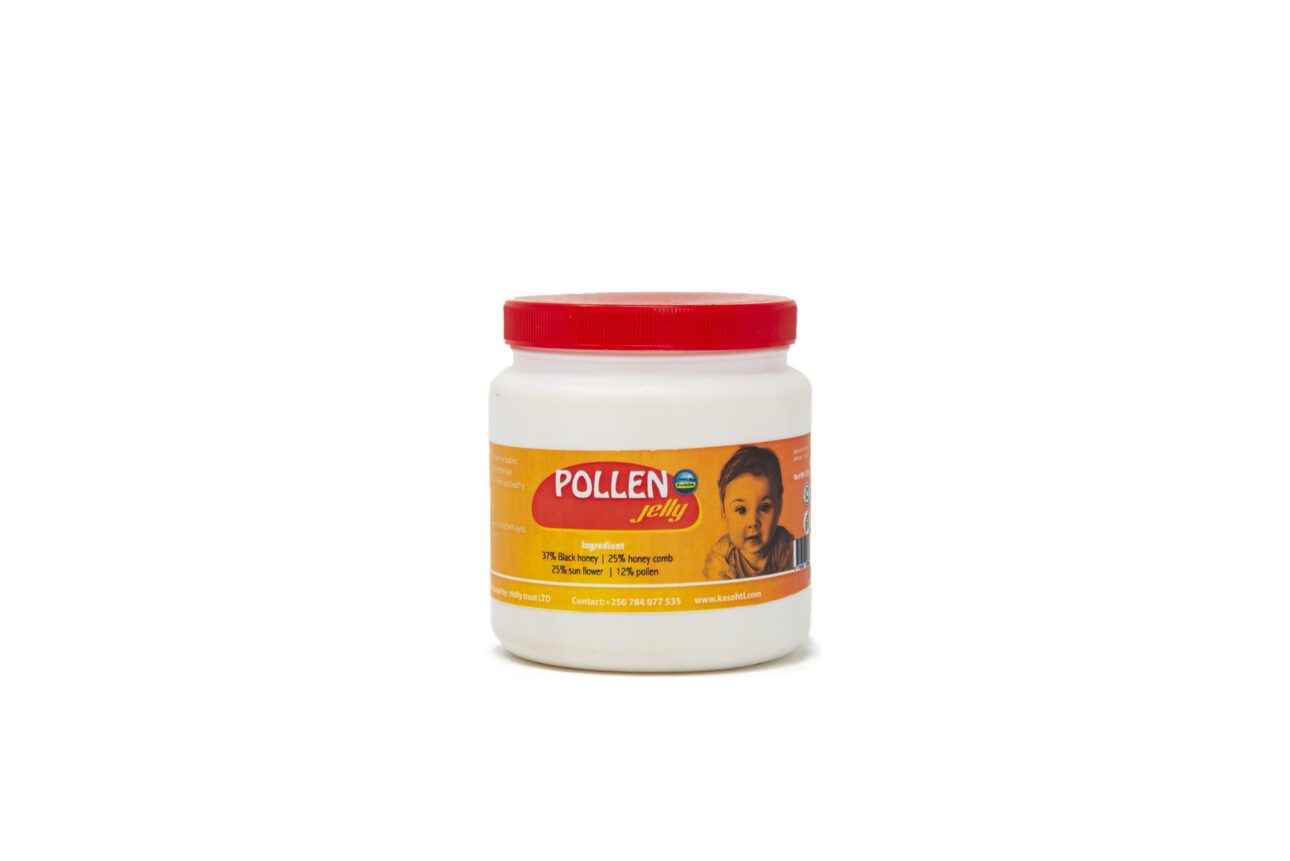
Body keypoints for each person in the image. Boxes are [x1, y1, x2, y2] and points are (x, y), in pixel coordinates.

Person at [703, 446, 795, 580]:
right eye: (741, 510)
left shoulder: (785, 547)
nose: (753, 522)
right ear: (724, 513)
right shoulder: (722, 559)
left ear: (779, 506)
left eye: (764, 507)